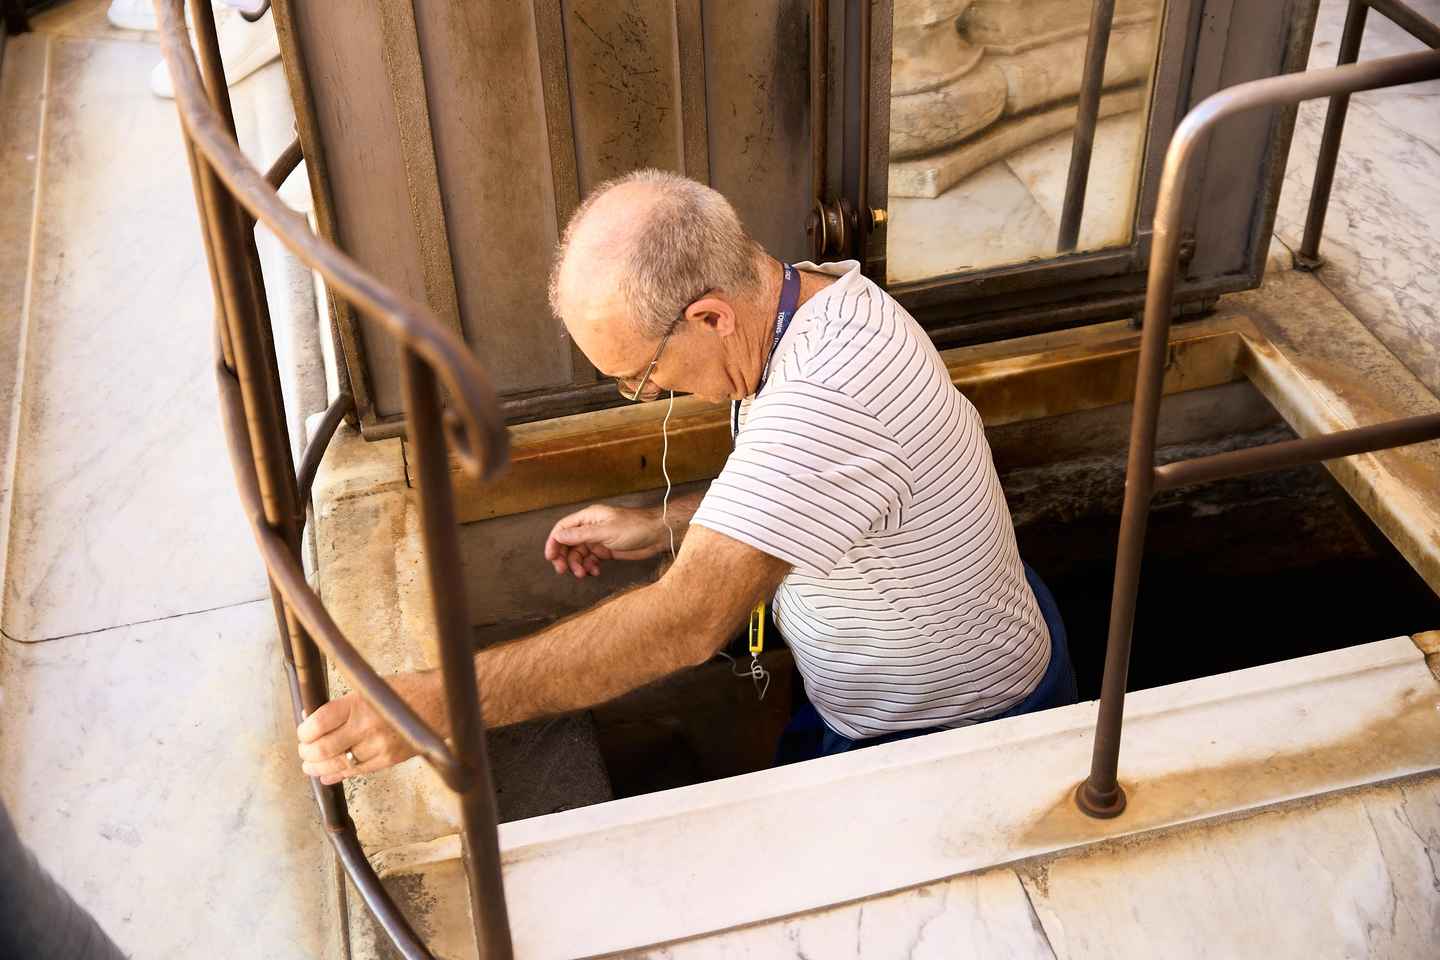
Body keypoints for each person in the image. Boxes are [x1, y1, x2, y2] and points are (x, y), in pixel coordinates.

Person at [296, 169, 1075, 783]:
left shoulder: (826, 396)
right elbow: (826, 489)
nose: (648, 396)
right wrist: (669, 523)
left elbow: (686, 622)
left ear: (710, 316)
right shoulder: (812, 294)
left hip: (948, 723)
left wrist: (438, 703)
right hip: (896, 671)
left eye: (642, 376)